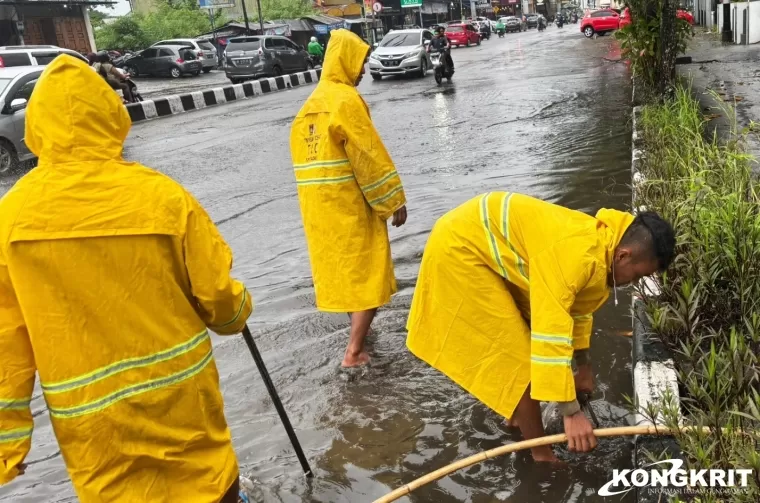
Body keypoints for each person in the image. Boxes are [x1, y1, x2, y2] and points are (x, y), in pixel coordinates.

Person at [0, 55, 254, 502]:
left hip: (91, 418)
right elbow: (218, 297)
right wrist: (237, 311)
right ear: (112, 114)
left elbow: (4, 341)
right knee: (208, 483)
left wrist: (7, 445)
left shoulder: (11, 219)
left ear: (36, 126)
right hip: (181, 397)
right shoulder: (162, 197)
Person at [407, 192, 675, 462]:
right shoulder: (578, 255)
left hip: (484, 244)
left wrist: (582, 366)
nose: (634, 282)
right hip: (461, 249)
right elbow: (550, 334)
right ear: (623, 255)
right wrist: (571, 413)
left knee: (523, 347)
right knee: (521, 363)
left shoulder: (601, 248)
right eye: (638, 275)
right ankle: (541, 456)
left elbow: (575, 309)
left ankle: (517, 420)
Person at [289, 29, 407, 368]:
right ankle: (354, 352)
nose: (364, 70)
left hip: (318, 211)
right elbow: (367, 156)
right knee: (368, 273)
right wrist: (392, 200)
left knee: (343, 274)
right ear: (346, 60)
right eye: (362, 62)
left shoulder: (309, 105)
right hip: (350, 207)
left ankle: (358, 335)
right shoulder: (345, 100)